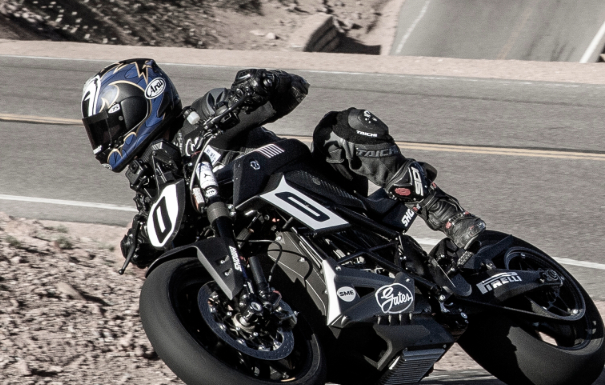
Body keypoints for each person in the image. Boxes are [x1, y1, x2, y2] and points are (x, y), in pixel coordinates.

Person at [81, 58, 485, 260]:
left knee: (342, 128)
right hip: (269, 248)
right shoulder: (152, 186)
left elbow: (293, 90)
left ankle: (447, 216)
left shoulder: (204, 113)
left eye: (107, 127)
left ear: (135, 105)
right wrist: (138, 245)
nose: (105, 140)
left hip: (318, 189)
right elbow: (151, 242)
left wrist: (262, 84)